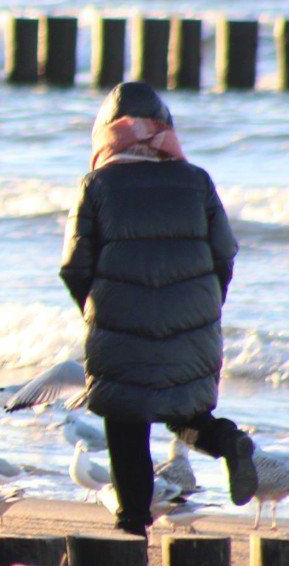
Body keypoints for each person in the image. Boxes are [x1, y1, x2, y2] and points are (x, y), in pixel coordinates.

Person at [59, 81, 257, 536]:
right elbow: (225, 255)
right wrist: (204, 307)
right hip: (192, 322)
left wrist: (96, 310)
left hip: (118, 324)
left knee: (126, 423)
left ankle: (132, 524)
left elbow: (74, 266)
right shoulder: (197, 182)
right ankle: (230, 443)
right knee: (184, 414)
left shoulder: (97, 184)